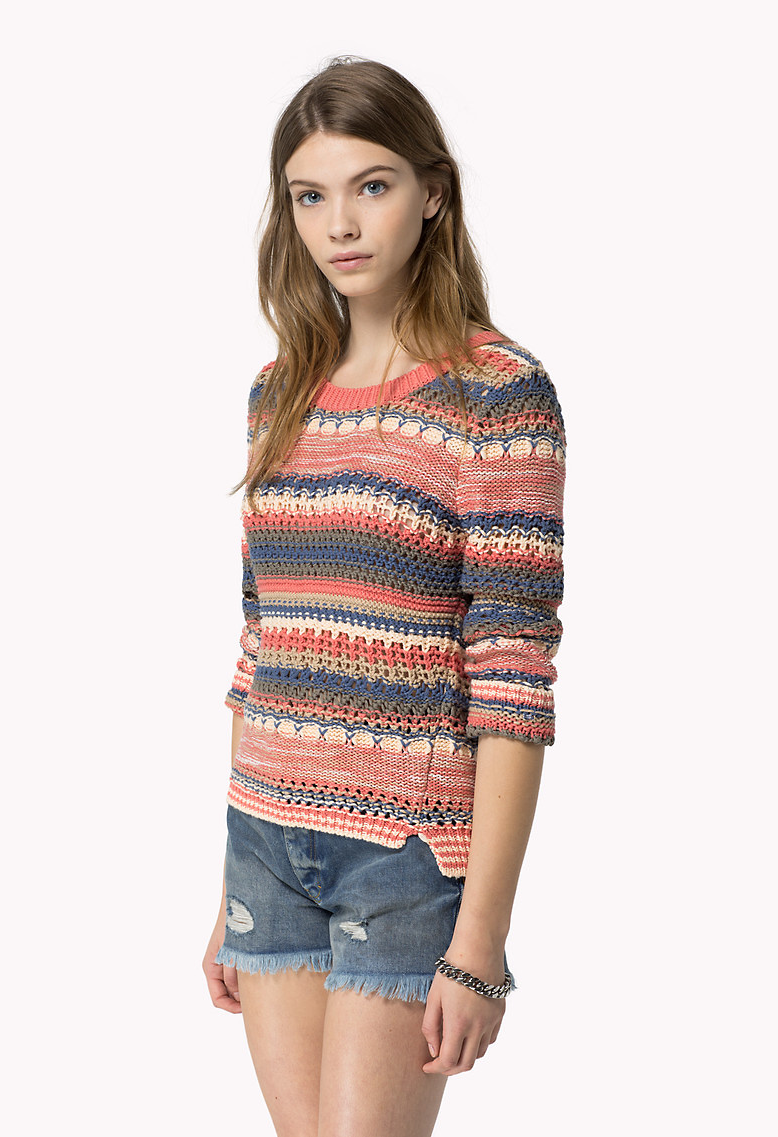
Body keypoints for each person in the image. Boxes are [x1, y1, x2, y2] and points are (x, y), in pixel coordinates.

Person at [201, 56, 567, 1137]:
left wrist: (480, 940)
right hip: (264, 837)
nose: (341, 224)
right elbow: (262, 643)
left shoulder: (497, 395)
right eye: (310, 195)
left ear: (432, 193)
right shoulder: (278, 393)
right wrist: (225, 889)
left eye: (372, 185)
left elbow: (512, 676)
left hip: (405, 855)